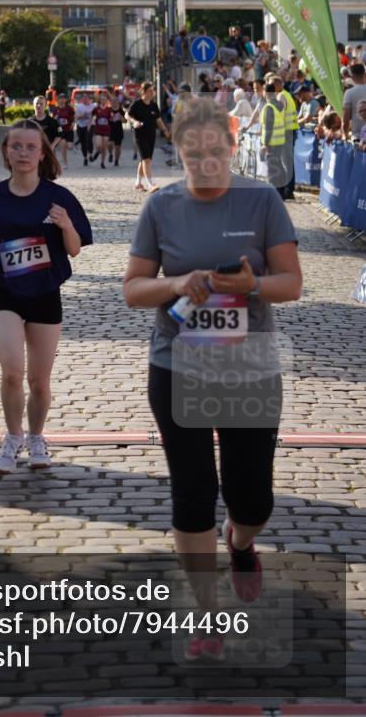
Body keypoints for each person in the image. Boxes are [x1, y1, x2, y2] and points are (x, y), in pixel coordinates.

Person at [123, 97, 301, 661]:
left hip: (249, 367)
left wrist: (249, 285)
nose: (204, 163)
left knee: (251, 498)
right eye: (191, 153)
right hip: (178, 365)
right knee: (193, 490)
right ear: (176, 151)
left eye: (214, 152)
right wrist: (178, 285)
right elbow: (132, 290)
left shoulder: (262, 199)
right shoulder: (160, 207)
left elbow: (291, 283)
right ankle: (206, 613)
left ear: (231, 145)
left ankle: (241, 543)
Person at [0, 119, 93, 474]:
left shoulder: (59, 197)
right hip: (5, 291)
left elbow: (74, 250)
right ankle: (13, 438)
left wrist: (66, 226)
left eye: (30, 147)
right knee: (12, 371)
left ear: (42, 154)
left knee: (38, 382)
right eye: (16, 147)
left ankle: (37, 437)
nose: (23, 153)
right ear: (6, 152)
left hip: (45, 293)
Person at [126, 82, 170, 192]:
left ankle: (138, 183)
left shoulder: (154, 105)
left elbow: (158, 120)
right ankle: (150, 184)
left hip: (151, 134)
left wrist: (164, 130)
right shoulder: (137, 104)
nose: (152, 93)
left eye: (153, 91)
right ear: (144, 91)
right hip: (139, 134)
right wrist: (134, 122)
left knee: (146, 159)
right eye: (150, 90)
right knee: (146, 160)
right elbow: (127, 115)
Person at [260, 82, 288, 198]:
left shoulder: (269, 107)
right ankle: (280, 192)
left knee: (272, 169)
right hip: (280, 140)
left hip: (271, 142)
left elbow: (268, 127)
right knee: (279, 166)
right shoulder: (280, 104)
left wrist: (265, 144)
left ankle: (274, 194)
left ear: (265, 92)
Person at [342, 62, 366, 142]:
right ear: (364, 74)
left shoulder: (349, 93)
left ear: (352, 77)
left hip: (358, 138)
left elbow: (345, 120)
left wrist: (345, 136)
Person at [91, 91, 112, 169]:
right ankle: (97, 152)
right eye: (102, 99)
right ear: (100, 100)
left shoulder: (109, 109)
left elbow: (111, 118)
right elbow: (91, 116)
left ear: (107, 100)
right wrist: (90, 124)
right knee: (99, 145)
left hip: (106, 130)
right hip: (98, 129)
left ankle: (102, 162)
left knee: (104, 147)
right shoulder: (96, 109)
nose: (103, 100)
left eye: (105, 99)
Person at [54, 92, 75, 168]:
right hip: (60, 131)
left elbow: (73, 117)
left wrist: (73, 123)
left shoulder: (69, 109)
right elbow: (53, 120)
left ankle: (69, 145)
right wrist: (54, 119)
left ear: (66, 100)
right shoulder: (55, 109)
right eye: (60, 98)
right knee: (62, 145)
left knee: (70, 147)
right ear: (58, 100)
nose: (62, 100)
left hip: (69, 130)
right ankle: (65, 163)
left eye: (63, 98)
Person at [74, 92, 94, 166]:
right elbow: (76, 117)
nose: (85, 99)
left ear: (90, 99)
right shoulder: (79, 106)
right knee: (83, 143)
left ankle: (90, 154)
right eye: (84, 98)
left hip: (90, 125)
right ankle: (85, 158)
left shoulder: (93, 106)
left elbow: (95, 116)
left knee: (89, 139)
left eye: (87, 98)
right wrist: (82, 115)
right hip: (81, 125)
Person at [108, 94, 125, 166]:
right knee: (109, 144)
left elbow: (125, 121)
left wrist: (121, 117)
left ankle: (116, 160)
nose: (114, 102)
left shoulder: (121, 110)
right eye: (113, 101)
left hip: (118, 130)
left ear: (118, 102)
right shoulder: (108, 110)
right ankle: (110, 154)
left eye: (116, 101)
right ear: (110, 102)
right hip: (109, 130)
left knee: (118, 147)